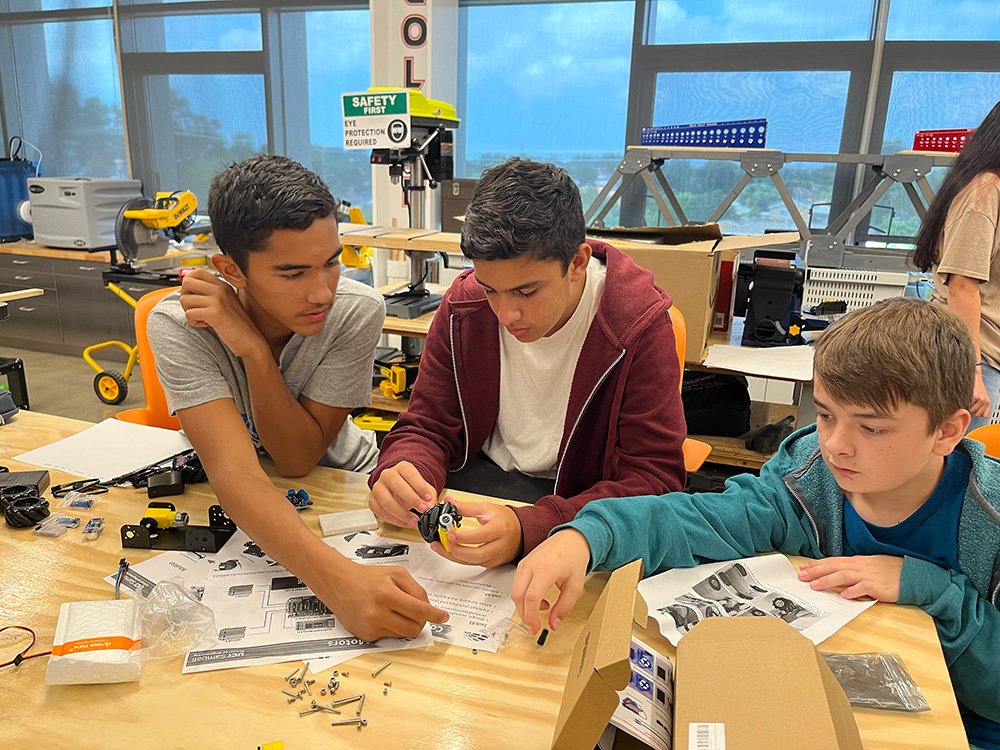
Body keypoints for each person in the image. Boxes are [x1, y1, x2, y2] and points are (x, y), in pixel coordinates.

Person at [513, 297, 1000, 749]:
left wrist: (933, 589)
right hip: (817, 701)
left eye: (871, 427)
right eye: (827, 415)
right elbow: (702, 517)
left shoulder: (990, 518)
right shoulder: (808, 475)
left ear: (948, 430)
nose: (836, 445)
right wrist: (588, 535)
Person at [148, 154, 448, 641]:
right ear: (232, 270)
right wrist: (336, 582)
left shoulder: (355, 311)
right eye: (293, 274)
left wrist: (254, 353)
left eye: (330, 263)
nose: (322, 293)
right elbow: (236, 473)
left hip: (341, 482)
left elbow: (296, 458)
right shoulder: (179, 326)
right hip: (255, 505)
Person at [368, 157, 687, 567]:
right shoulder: (463, 306)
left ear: (577, 262)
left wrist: (532, 527)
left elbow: (654, 481)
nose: (506, 314)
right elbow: (428, 425)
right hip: (476, 488)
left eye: (527, 291)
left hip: (580, 507)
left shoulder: (638, 324)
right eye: (491, 290)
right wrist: (404, 468)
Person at [913, 99, 1000, 432]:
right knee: (954, 467)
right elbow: (963, 284)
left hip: (985, 355)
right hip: (971, 356)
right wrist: (971, 370)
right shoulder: (985, 192)